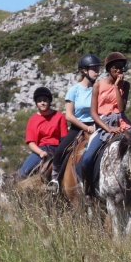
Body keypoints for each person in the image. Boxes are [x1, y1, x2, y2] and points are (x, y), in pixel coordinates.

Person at [46, 54, 102, 194]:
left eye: (97, 69)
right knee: (59, 151)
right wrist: (86, 127)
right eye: (94, 69)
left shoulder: (99, 88)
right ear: (84, 70)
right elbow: (69, 115)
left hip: (97, 126)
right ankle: (54, 180)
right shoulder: (74, 90)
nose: (97, 72)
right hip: (78, 127)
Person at [79, 52, 131, 188]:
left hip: (121, 121)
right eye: (115, 67)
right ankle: (88, 189)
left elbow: (121, 108)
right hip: (103, 123)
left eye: (121, 67)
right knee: (87, 158)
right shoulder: (98, 85)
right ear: (109, 69)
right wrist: (108, 129)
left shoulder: (125, 85)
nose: (119, 70)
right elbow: (93, 113)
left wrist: (116, 87)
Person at [18, 87, 67, 178]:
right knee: (23, 173)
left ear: (49, 101)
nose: (42, 103)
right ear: (36, 103)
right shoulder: (33, 120)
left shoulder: (59, 116)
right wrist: (41, 152)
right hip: (40, 150)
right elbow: (31, 143)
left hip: (57, 149)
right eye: (39, 101)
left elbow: (64, 138)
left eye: (45, 100)